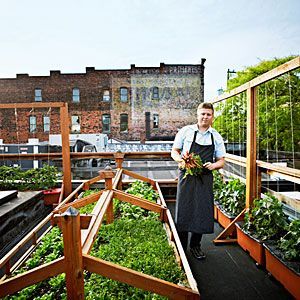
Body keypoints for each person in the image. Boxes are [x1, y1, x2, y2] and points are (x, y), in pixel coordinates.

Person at [171, 102, 226, 260]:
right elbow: (174, 151)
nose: (205, 117)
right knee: (184, 208)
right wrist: (181, 161)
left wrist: (213, 165)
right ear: (197, 114)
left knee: (202, 211)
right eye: (202, 114)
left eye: (208, 114)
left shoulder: (215, 136)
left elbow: (221, 160)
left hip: (205, 177)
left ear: (212, 117)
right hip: (186, 176)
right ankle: (181, 247)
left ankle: (195, 246)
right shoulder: (186, 131)